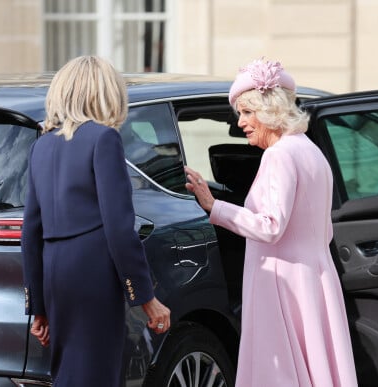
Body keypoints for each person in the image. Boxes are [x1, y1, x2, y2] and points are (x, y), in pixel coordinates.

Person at [185, 58, 358, 387]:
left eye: (248, 112)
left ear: (270, 111)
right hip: (313, 280)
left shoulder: (279, 155)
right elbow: (324, 228)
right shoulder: (311, 151)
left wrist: (214, 206)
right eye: (240, 113)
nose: (241, 123)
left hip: (282, 285)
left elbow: (270, 226)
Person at [21, 55, 170, 387]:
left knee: (69, 375)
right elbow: (119, 227)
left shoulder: (42, 146)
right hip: (93, 275)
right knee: (97, 374)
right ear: (106, 92)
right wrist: (147, 298)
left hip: (56, 275)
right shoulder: (104, 139)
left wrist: (38, 306)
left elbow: (30, 232)